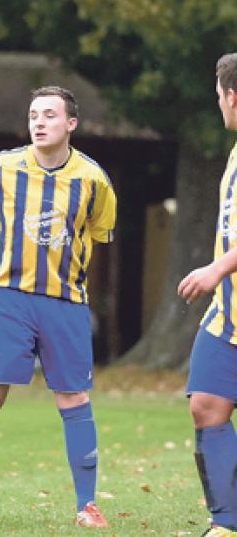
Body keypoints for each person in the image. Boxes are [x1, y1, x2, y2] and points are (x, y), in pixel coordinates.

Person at [0, 86, 116, 528]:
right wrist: (2, 240)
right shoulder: (0, 167)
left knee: (74, 397)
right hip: (6, 295)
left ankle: (87, 505)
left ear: (71, 124)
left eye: (50, 115)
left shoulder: (93, 180)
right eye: (34, 114)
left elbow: (98, 231)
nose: (39, 122)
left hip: (65, 301)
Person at [176, 53, 237, 537]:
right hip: (230, 315)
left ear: (231, 97)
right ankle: (227, 523)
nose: (218, 106)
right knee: (207, 406)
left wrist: (217, 267)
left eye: (218, 97)